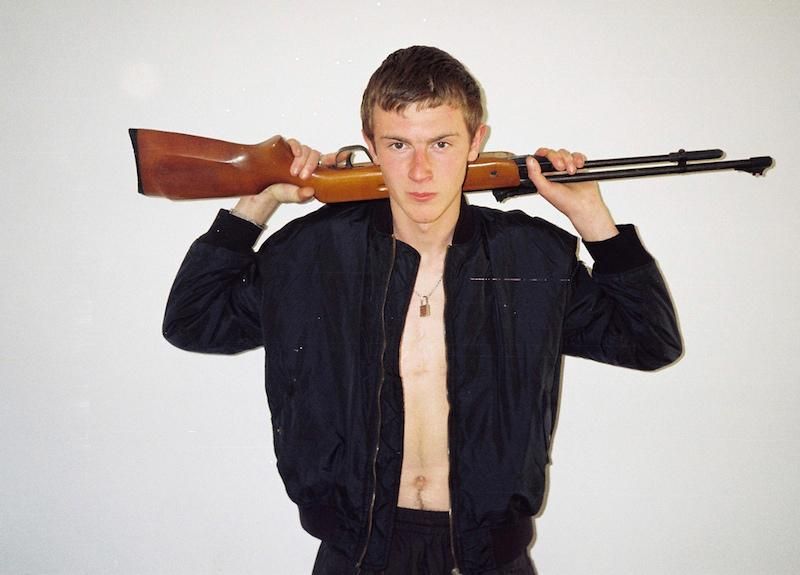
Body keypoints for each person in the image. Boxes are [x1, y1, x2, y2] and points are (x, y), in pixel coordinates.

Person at [163, 46, 682, 575]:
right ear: (370, 146)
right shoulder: (313, 253)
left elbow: (650, 343)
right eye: (398, 144)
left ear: (476, 142)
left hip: (488, 557)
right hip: (355, 555)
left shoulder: (531, 256)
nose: (419, 170)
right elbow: (193, 322)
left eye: (441, 143)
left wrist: (593, 218)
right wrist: (257, 201)